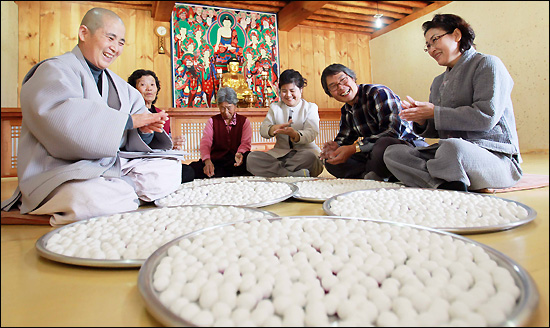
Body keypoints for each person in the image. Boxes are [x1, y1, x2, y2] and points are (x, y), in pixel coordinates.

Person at [0, 8, 183, 226]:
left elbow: (134, 137)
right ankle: (122, 193)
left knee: (170, 169)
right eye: (110, 38)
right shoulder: (54, 70)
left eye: (122, 42)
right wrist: (129, 121)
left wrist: (144, 132)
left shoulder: (121, 87)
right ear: (84, 33)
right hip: (61, 172)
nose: (115, 48)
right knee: (88, 198)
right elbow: (64, 122)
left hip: (107, 167)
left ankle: (120, 192)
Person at [383, 14, 522, 191]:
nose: (432, 49)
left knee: (451, 148)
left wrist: (434, 112)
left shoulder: (488, 64)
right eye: (428, 46)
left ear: (457, 35)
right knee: (393, 153)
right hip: (448, 155)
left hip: (494, 156)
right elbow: (437, 129)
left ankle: (442, 180)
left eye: (435, 40)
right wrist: (422, 119)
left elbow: (486, 117)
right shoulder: (438, 81)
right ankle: (446, 184)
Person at [319, 63, 426, 180]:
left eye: (343, 80)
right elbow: (344, 138)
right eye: (333, 86)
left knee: (383, 145)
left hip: (406, 146)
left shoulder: (378, 93)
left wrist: (355, 148)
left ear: (353, 79)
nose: (340, 87)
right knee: (332, 162)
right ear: (329, 93)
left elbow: (392, 132)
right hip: (372, 152)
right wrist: (335, 147)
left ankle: (375, 175)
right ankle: (373, 175)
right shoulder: (346, 110)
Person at [246, 69, 323, 177]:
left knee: (310, 158)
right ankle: (291, 175)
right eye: (284, 91)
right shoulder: (275, 107)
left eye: (292, 91)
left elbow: (311, 133)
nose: (288, 95)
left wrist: (295, 134)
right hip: (279, 155)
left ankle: (277, 173)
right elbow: (263, 130)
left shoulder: (310, 107)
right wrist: (273, 129)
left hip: (303, 155)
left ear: (300, 90)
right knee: (251, 158)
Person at [128, 69, 194, 183]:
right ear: (134, 89)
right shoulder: (131, 114)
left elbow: (166, 143)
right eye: (143, 85)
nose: (149, 88)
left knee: (188, 171)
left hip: (159, 160)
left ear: (157, 89)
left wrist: (173, 144)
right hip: (138, 161)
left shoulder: (160, 113)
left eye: (152, 85)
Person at [189, 87, 252, 178]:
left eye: (229, 108)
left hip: (237, 160)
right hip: (217, 161)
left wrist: (240, 153)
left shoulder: (244, 121)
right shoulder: (212, 121)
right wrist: (207, 160)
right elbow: (206, 143)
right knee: (194, 168)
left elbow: (245, 143)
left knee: (250, 160)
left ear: (235, 106)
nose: (226, 112)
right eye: (222, 108)